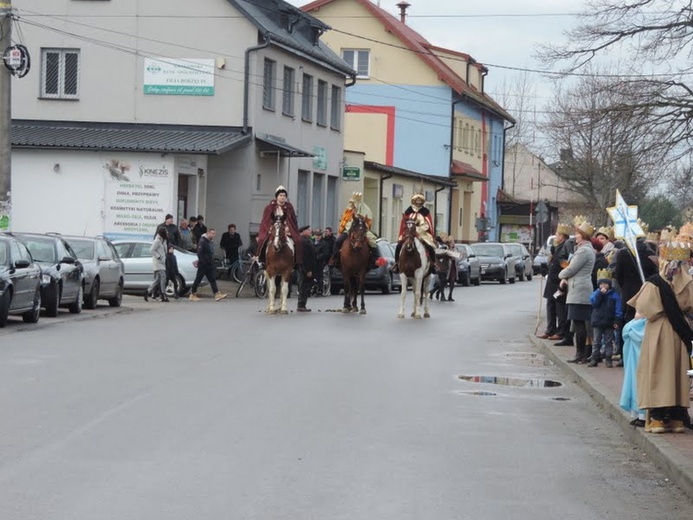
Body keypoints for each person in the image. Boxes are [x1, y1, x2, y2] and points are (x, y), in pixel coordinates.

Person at [627, 241, 693, 433]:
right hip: (681, 331)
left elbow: (645, 308)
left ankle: (657, 419)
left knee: (658, 372)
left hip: (660, 330)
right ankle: (677, 419)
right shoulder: (688, 283)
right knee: (677, 372)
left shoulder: (655, 282)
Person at [558, 216, 597, 364]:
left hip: (579, 289)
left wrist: (562, 275)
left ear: (584, 235)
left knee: (579, 322)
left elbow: (571, 269)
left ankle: (580, 353)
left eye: (578, 233)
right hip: (579, 288)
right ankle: (580, 353)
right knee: (578, 322)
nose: (576, 236)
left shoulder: (583, 251)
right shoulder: (584, 249)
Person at [539, 224, 573, 343]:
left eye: (558, 235)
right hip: (552, 281)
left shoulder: (566, 246)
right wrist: (546, 269)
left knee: (560, 308)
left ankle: (560, 331)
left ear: (563, 237)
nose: (555, 237)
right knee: (551, 306)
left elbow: (565, 263)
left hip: (559, 282)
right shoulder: (556, 247)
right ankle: (550, 329)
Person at [331, 192, 378, 268]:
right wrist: (343, 228)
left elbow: (367, 222)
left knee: (372, 242)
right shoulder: (348, 210)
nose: (352, 205)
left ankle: (374, 259)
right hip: (348, 230)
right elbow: (344, 221)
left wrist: (360, 219)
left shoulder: (365, 210)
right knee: (337, 241)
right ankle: (334, 258)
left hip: (361, 231)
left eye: (353, 203)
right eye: (351, 203)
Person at [392, 193, 437, 273]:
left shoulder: (425, 212)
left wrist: (418, 230)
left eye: (420, 201)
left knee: (429, 247)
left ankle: (433, 265)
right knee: (399, 245)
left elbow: (428, 225)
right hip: (409, 233)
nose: (418, 202)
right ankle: (397, 264)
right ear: (414, 201)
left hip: (422, 233)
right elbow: (404, 223)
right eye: (417, 200)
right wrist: (409, 230)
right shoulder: (408, 211)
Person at [257, 186, 301, 264]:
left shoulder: (289, 207)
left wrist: (288, 228)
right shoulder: (269, 207)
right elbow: (266, 221)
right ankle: (262, 260)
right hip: (273, 230)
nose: (282, 197)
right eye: (281, 195)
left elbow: (292, 220)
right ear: (277, 196)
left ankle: (296, 262)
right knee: (262, 239)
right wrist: (270, 228)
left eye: (284, 196)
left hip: (285, 230)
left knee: (298, 240)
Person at [588, 269, 623, 367]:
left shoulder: (614, 295)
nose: (603, 286)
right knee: (596, 341)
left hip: (609, 322)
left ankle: (608, 359)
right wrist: (600, 294)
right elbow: (593, 302)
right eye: (601, 284)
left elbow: (618, 308)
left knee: (608, 341)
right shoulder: (596, 293)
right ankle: (594, 358)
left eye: (605, 284)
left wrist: (617, 320)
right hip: (597, 321)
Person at [189, 228, 227, 302]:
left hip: (209, 263)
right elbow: (199, 253)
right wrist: (203, 262)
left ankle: (216, 294)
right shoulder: (203, 241)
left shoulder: (210, 241)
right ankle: (193, 293)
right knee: (198, 279)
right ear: (208, 233)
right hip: (203, 264)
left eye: (214, 233)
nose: (213, 235)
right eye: (212, 233)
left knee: (212, 279)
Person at [145, 227, 168, 302]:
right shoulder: (157, 241)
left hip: (162, 262)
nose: (167, 233)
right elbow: (151, 250)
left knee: (157, 280)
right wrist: (159, 257)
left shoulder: (163, 240)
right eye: (166, 232)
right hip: (158, 262)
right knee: (163, 277)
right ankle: (163, 294)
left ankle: (148, 291)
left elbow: (165, 250)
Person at [297, 225, 317, 312]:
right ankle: (301, 304)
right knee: (304, 286)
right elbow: (306, 257)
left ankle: (302, 304)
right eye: (308, 230)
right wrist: (308, 270)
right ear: (304, 231)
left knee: (305, 286)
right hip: (306, 268)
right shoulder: (304, 241)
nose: (310, 231)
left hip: (308, 267)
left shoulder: (307, 240)